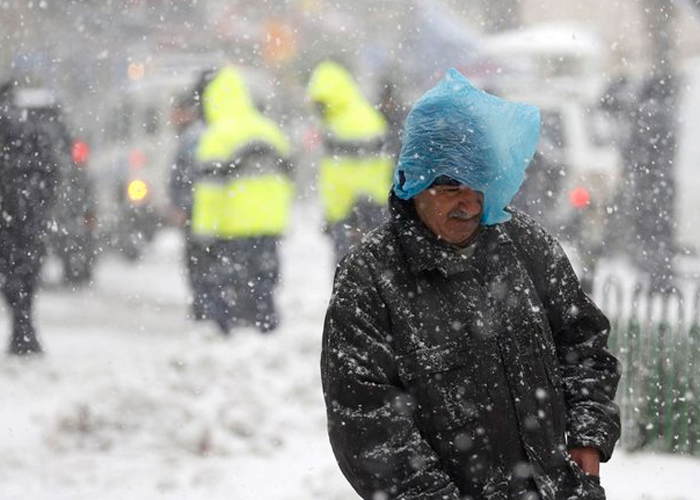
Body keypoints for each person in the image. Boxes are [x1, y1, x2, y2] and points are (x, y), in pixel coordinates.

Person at [321, 69, 621, 500]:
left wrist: (586, 447)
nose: (469, 201)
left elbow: (584, 347)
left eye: (478, 180)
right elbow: (368, 427)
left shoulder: (524, 246)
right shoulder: (370, 280)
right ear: (416, 182)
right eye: (449, 185)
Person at [191, 66, 294, 334]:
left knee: (232, 291)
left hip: (232, 228)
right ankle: (267, 332)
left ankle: (234, 337)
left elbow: (209, 194)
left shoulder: (216, 136)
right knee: (264, 286)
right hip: (269, 225)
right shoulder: (269, 130)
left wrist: (204, 234)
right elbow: (287, 179)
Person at [306, 60, 394, 263]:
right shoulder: (343, 119)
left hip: (359, 212)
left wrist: (355, 210)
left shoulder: (354, 121)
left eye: (321, 103)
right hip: (354, 211)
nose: (319, 109)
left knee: (357, 275)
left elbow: (365, 170)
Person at [0, 79, 60, 355]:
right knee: (25, 274)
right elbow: (51, 171)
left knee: (12, 276)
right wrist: (40, 206)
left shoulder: (17, 129)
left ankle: (22, 330)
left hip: (9, 216)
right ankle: (24, 330)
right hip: (26, 217)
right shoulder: (32, 128)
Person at [168, 78, 209, 319]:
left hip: (198, 214)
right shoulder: (193, 135)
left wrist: (183, 206)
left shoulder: (193, 137)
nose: (173, 118)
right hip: (199, 213)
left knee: (199, 267)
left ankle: (203, 314)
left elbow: (189, 177)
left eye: (176, 112)